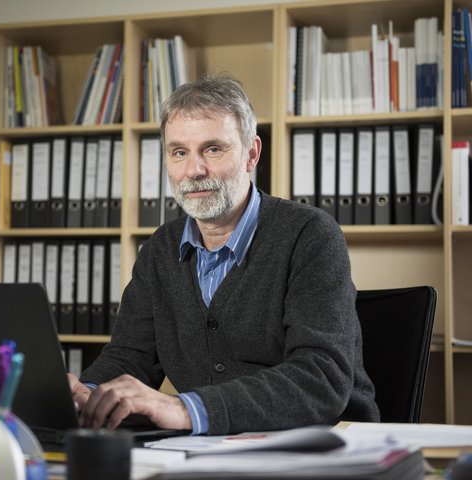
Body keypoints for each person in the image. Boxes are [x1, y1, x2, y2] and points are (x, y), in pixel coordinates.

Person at [68, 74, 380, 435]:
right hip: (213, 451)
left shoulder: (310, 235)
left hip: (327, 446)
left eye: (213, 149)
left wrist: (185, 408)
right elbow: (130, 358)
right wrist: (85, 395)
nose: (194, 170)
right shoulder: (159, 251)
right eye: (179, 152)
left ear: (251, 154)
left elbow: (321, 377)